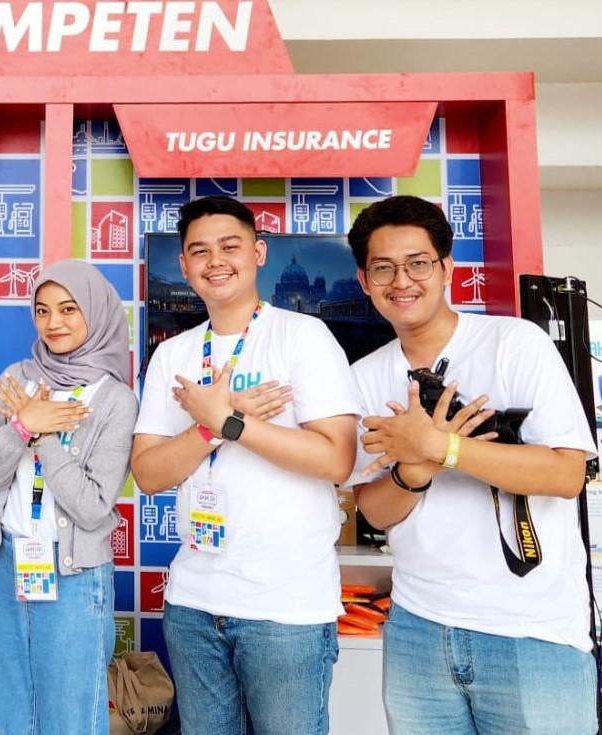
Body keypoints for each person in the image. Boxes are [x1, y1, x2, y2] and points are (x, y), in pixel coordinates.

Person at [346, 195, 598, 734]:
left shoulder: (514, 344)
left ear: (447, 269)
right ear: (364, 281)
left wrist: (445, 447)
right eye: (383, 268)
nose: (402, 281)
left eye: (418, 263)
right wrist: (414, 471)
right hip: (418, 626)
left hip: (532, 627)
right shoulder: (364, 377)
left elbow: (565, 474)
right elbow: (373, 509)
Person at [130, 196, 359, 734]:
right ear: (184, 265)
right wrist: (209, 427)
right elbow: (149, 473)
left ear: (258, 253)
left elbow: (337, 459)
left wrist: (231, 423)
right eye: (199, 251)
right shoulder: (173, 355)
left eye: (229, 246)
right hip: (193, 603)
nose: (216, 261)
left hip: (286, 608)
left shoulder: (303, 337)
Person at [0, 260, 138, 734]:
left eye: (68, 309)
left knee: (71, 718)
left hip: (75, 574)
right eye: (42, 310)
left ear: (95, 311)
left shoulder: (114, 399)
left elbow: (91, 507)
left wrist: (41, 435)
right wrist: (21, 425)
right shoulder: (17, 379)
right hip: (12, 562)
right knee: (9, 714)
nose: (53, 322)